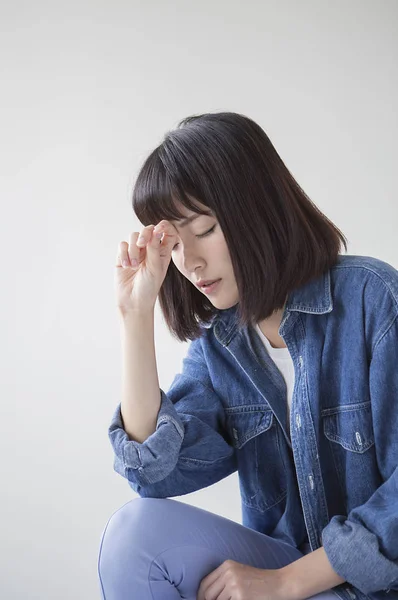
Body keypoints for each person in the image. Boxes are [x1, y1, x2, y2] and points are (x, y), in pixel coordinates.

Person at [97, 112, 398, 600]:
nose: (190, 261)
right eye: (175, 242)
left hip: (376, 582)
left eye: (206, 228)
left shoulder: (373, 300)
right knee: (137, 536)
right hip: (285, 569)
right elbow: (153, 475)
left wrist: (286, 582)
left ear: (259, 209)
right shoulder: (221, 345)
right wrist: (135, 317)